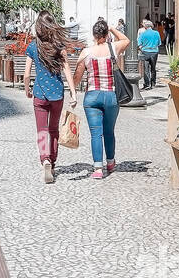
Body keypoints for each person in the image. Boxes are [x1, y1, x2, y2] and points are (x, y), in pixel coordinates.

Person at [23, 14, 78, 184]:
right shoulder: (59, 46)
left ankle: (45, 159)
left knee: (42, 130)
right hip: (57, 94)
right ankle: (52, 162)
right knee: (54, 130)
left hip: (40, 94)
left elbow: (26, 74)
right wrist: (73, 93)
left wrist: (27, 88)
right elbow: (67, 69)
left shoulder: (33, 47)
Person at [73, 18, 129, 179]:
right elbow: (126, 40)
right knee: (109, 131)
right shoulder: (113, 48)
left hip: (92, 96)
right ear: (105, 34)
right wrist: (112, 28)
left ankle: (98, 168)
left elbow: (77, 76)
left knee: (95, 133)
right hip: (111, 95)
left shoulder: (86, 53)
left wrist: (72, 92)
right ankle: (110, 162)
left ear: (93, 35)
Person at [138, 16, 162, 91]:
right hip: (154, 52)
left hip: (145, 52)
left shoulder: (143, 34)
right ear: (152, 26)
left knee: (146, 69)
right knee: (153, 68)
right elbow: (159, 43)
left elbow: (139, 44)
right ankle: (153, 83)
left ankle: (147, 84)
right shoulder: (156, 33)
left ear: (145, 27)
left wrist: (142, 49)